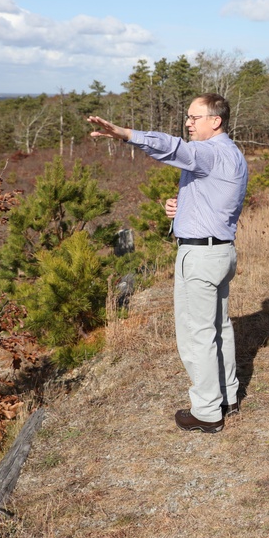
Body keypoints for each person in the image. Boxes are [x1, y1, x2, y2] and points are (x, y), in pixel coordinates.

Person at [86, 94, 249, 434]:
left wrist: (125, 134)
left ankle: (207, 412)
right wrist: (183, 206)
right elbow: (217, 200)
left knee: (196, 334)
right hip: (220, 252)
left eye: (195, 117)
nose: (188, 122)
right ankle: (228, 396)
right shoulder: (231, 153)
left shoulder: (209, 152)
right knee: (219, 327)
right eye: (187, 116)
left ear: (215, 120)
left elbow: (174, 149)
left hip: (201, 257)